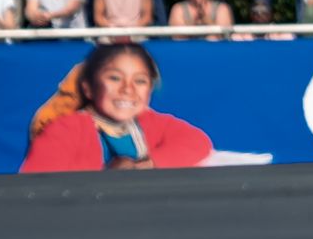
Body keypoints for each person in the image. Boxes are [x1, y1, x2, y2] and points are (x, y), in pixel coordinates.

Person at [20, 42, 214, 172]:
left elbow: (197, 141)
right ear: (88, 88)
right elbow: (37, 182)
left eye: (139, 81)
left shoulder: (148, 122)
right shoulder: (67, 129)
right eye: (114, 78)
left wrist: (144, 165)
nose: (127, 89)